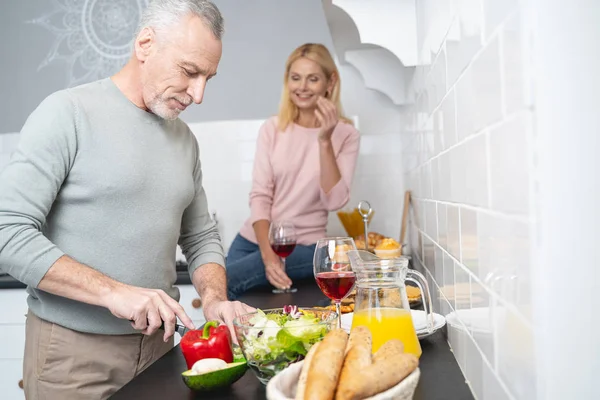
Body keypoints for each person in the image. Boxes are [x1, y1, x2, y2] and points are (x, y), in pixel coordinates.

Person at [0, 1, 254, 398]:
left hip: (161, 350)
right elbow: (6, 231)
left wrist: (215, 299)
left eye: (208, 78)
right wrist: (114, 291)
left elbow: (201, 236)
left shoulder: (184, 140)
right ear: (145, 44)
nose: (199, 94)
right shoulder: (67, 113)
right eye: (190, 72)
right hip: (72, 358)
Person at [226, 43, 360, 299]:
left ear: (330, 82)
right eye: (295, 78)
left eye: (313, 79)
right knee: (223, 293)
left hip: (302, 246)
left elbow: (333, 201)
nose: (302, 87)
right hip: (252, 240)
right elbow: (260, 196)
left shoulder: (346, 135)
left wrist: (324, 140)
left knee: (222, 282)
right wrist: (268, 257)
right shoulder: (272, 128)